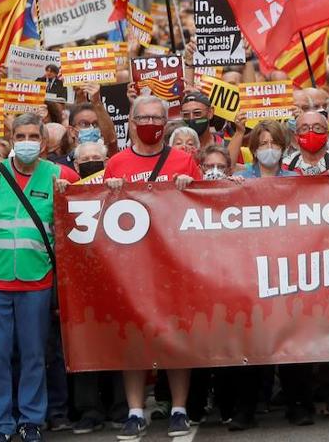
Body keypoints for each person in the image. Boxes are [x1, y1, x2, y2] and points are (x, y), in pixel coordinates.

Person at [0, 113, 77, 442]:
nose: (27, 141)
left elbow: (96, 189)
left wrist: (69, 192)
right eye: (21, 135)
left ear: (44, 143)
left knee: (33, 355)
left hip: (36, 279)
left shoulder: (59, 174)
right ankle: (1, 424)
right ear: (12, 139)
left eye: (33, 136)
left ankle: (31, 420)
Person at [103, 97, 199, 438]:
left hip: (174, 263)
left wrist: (192, 189)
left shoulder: (184, 160)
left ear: (166, 121)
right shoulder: (115, 163)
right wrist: (109, 192)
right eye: (142, 116)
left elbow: (204, 207)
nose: (149, 121)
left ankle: (178, 409)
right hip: (131, 267)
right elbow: (100, 212)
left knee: (175, 337)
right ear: (130, 122)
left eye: (156, 116)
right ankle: (134, 410)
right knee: (133, 338)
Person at [283, 109, 329, 175]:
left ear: (327, 135)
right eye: (304, 129)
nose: (311, 132)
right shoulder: (286, 165)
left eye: (317, 128)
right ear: (296, 137)